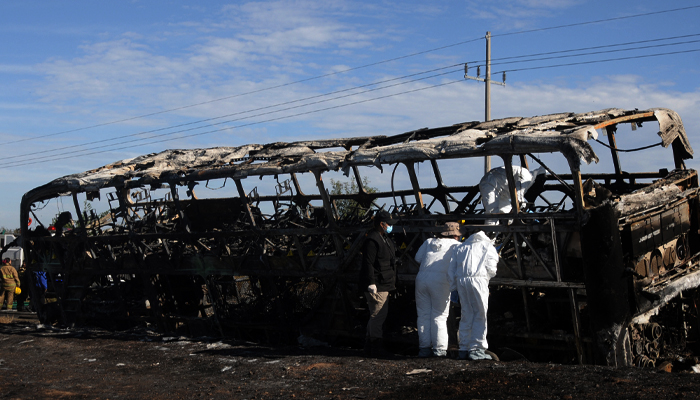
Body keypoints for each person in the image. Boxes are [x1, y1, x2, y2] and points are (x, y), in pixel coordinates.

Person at [414, 222, 462, 357]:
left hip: (422, 279)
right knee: (439, 316)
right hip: (441, 281)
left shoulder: (429, 242)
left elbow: (417, 258)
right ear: (455, 235)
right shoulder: (456, 246)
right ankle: (439, 350)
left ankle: (424, 348)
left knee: (423, 315)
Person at [449, 230, 499, 360]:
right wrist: (485, 277)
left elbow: (451, 269)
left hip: (462, 281)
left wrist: (453, 286)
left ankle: (464, 347)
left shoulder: (461, 247)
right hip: (478, 280)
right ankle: (477, 349)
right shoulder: (487, 246)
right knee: (480, 314)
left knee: (466, 314)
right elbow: (492, 269)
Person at [359, 210, 398, 357]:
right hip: (378, 284)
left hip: (384, 282)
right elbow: (368, 262)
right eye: (388, 224)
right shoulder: (372, 240)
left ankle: (370, 346)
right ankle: (375, 347)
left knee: (376, 315)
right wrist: (371, 282)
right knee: (378, 315)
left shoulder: (383, 238)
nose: (390, 226)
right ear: (382, 224)